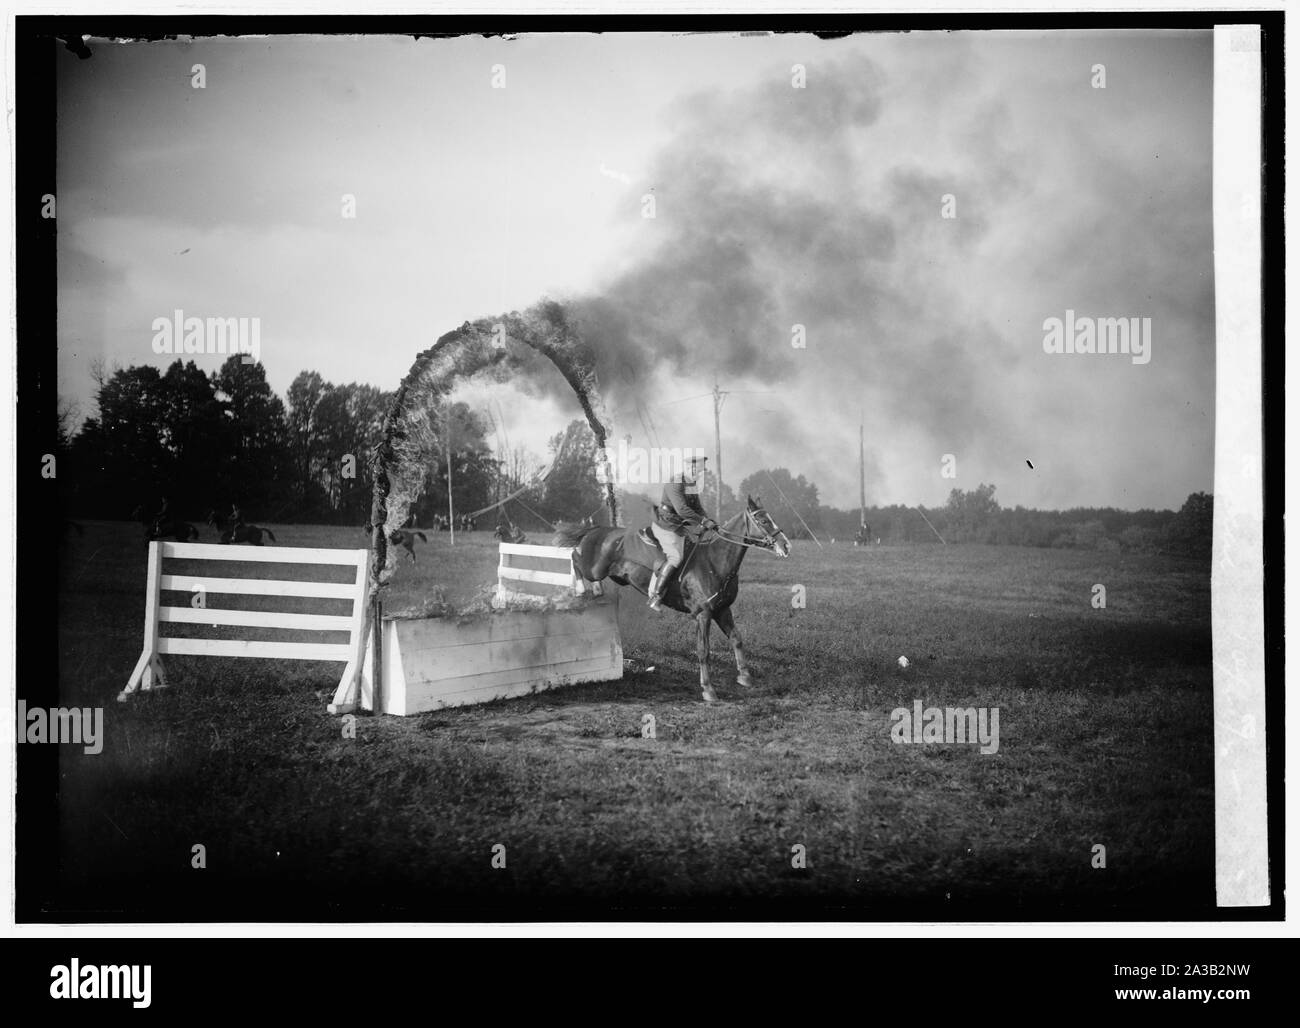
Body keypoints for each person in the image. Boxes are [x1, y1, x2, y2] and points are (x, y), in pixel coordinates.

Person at [647, 455, 717, 611]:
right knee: (676, 557)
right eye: (695, 470)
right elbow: (682, 510)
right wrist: (703, 522)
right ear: (686, 468)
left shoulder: (691, 484)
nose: (697, 473)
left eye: (699, 471)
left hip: (678, 525)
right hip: (666, 523)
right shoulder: (675, 483)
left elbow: (697, 508)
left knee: (695, 550)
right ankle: (656, 596)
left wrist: (708, 521)